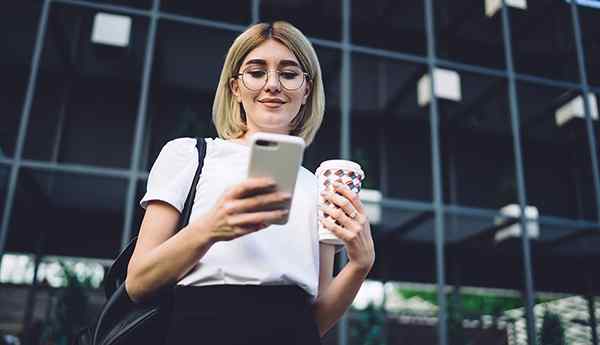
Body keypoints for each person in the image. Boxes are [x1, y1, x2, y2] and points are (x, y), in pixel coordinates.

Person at [125, 21, 375, 345]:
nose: (272, 85)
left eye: (289, 74)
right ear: (235, 88)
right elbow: (138, 281)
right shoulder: (190, 155)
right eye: (256, 72)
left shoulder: (318, 187)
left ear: (306, 90)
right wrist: (211, 228)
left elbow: (316, 320)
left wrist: (360, 265)